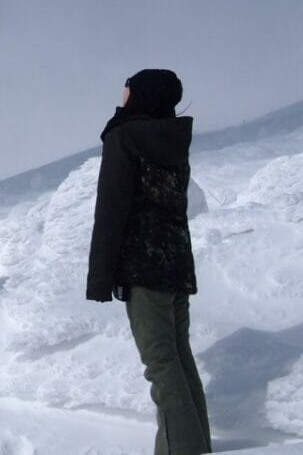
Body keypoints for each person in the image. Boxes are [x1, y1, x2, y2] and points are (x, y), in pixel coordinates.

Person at [86, 69, 211, 455]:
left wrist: (100, 279)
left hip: (143, 267)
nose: (121, 95)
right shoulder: (173, 137)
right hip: (175, 264)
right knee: (178, 357)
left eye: (127, 88)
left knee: (161, 364)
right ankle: (197, 446)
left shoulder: (124, 137)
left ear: (139, 95)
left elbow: (112, 209)